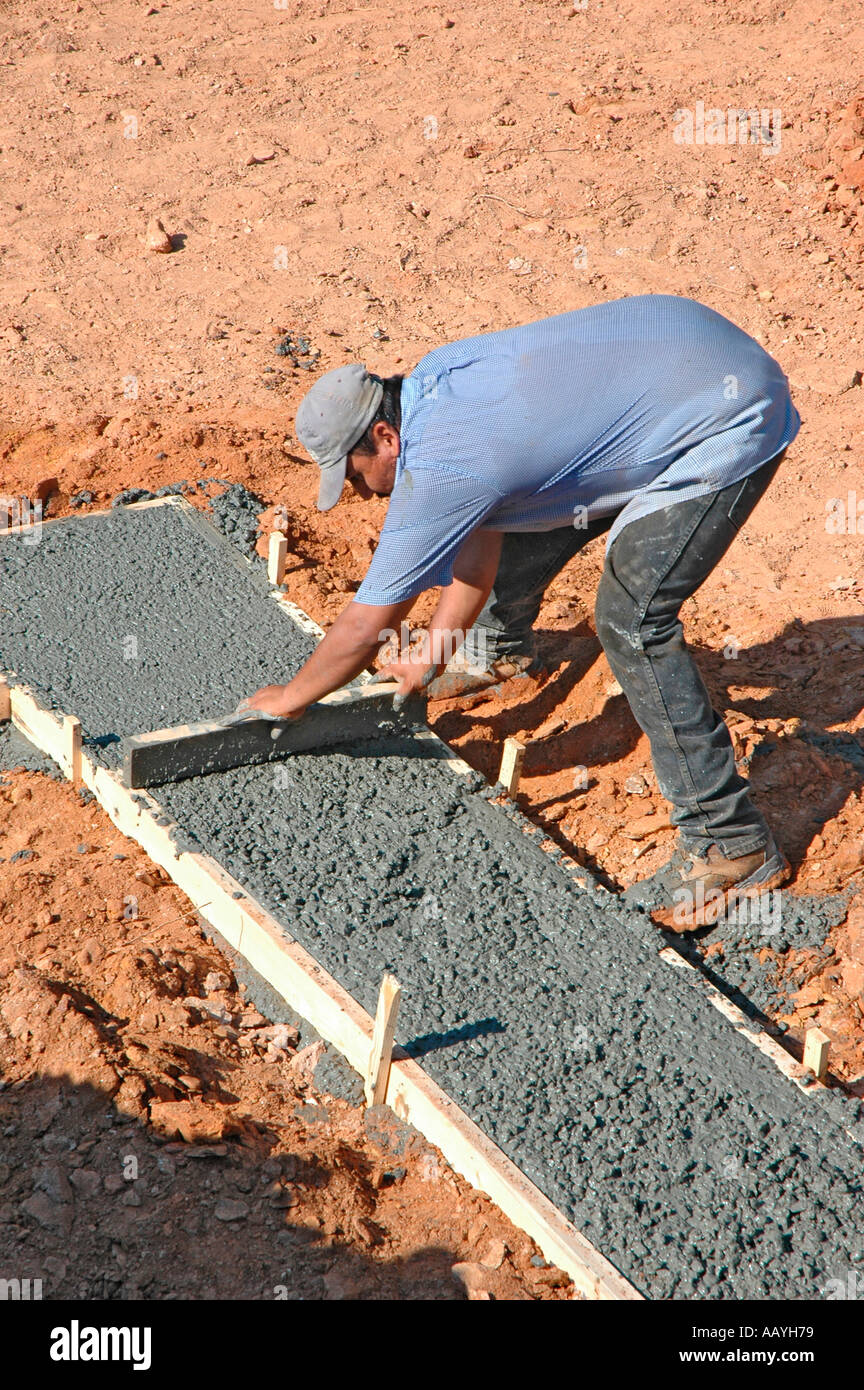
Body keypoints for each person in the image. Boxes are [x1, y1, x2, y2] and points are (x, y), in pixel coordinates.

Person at [245, 294, 800, 928]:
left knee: (632, 618)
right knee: (525, 508)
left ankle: (730, 840)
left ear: (384, 435)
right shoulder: (434, 383)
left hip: (727, 410)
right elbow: (476, 562)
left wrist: (291, 698)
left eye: (353, 473)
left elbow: (367, 623)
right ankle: (497, 649)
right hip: (676, 356)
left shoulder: (442, 468)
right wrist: (429, 658)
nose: (358, 492)